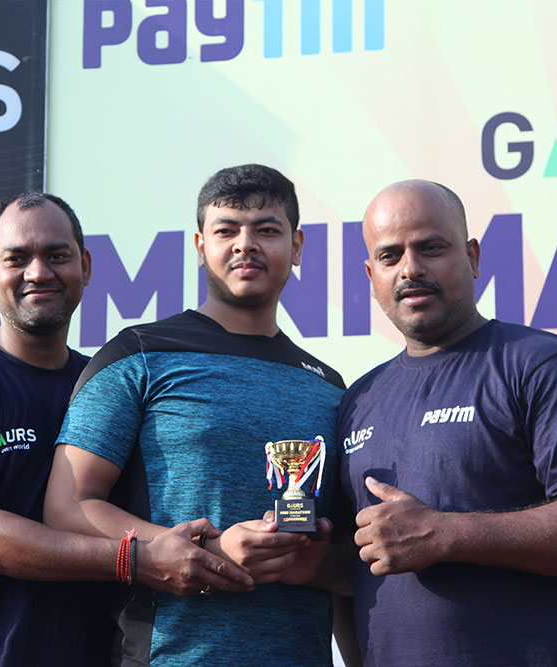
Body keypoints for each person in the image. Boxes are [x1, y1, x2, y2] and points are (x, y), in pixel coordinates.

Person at [0, 193, 250, 667]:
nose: (38, 273)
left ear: (86, 266)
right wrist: (136, 559)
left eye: (57, 255)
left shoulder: (112, 385)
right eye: (17, 258)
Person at [44, 164, 347, 666]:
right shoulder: (137, 355)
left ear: (296, 247)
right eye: (226, 230)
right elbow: (66, 507)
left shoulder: (329, 386)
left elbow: (347, 561)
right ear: (200, 246)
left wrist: (313, 564)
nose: (245, 245)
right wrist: (206, 551)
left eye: (266, 230)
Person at [338, 179, 557, 666]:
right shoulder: (358, 399)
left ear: (473, 257)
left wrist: (445, 533)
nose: (410, 269)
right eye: (390, 256)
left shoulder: (545, 366)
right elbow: (359, 565)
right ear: (370, 273)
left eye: (431, 248)